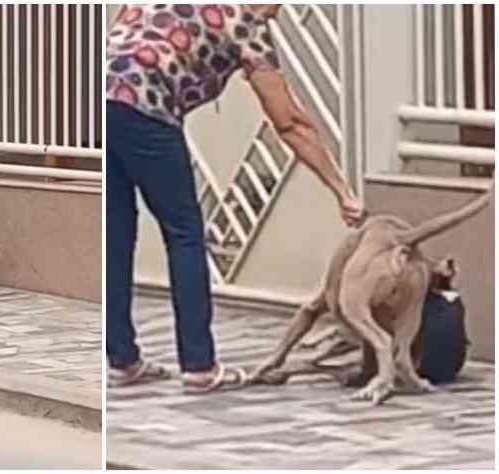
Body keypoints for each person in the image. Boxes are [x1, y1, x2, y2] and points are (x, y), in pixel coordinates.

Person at [106, 4, 365, 393]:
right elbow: (288, 122)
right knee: (185, 235)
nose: (276, 14)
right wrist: (342, 190)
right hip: (145, 106)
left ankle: (122, 360)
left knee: (115, 236)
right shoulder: (245, 22)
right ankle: (200, 366)